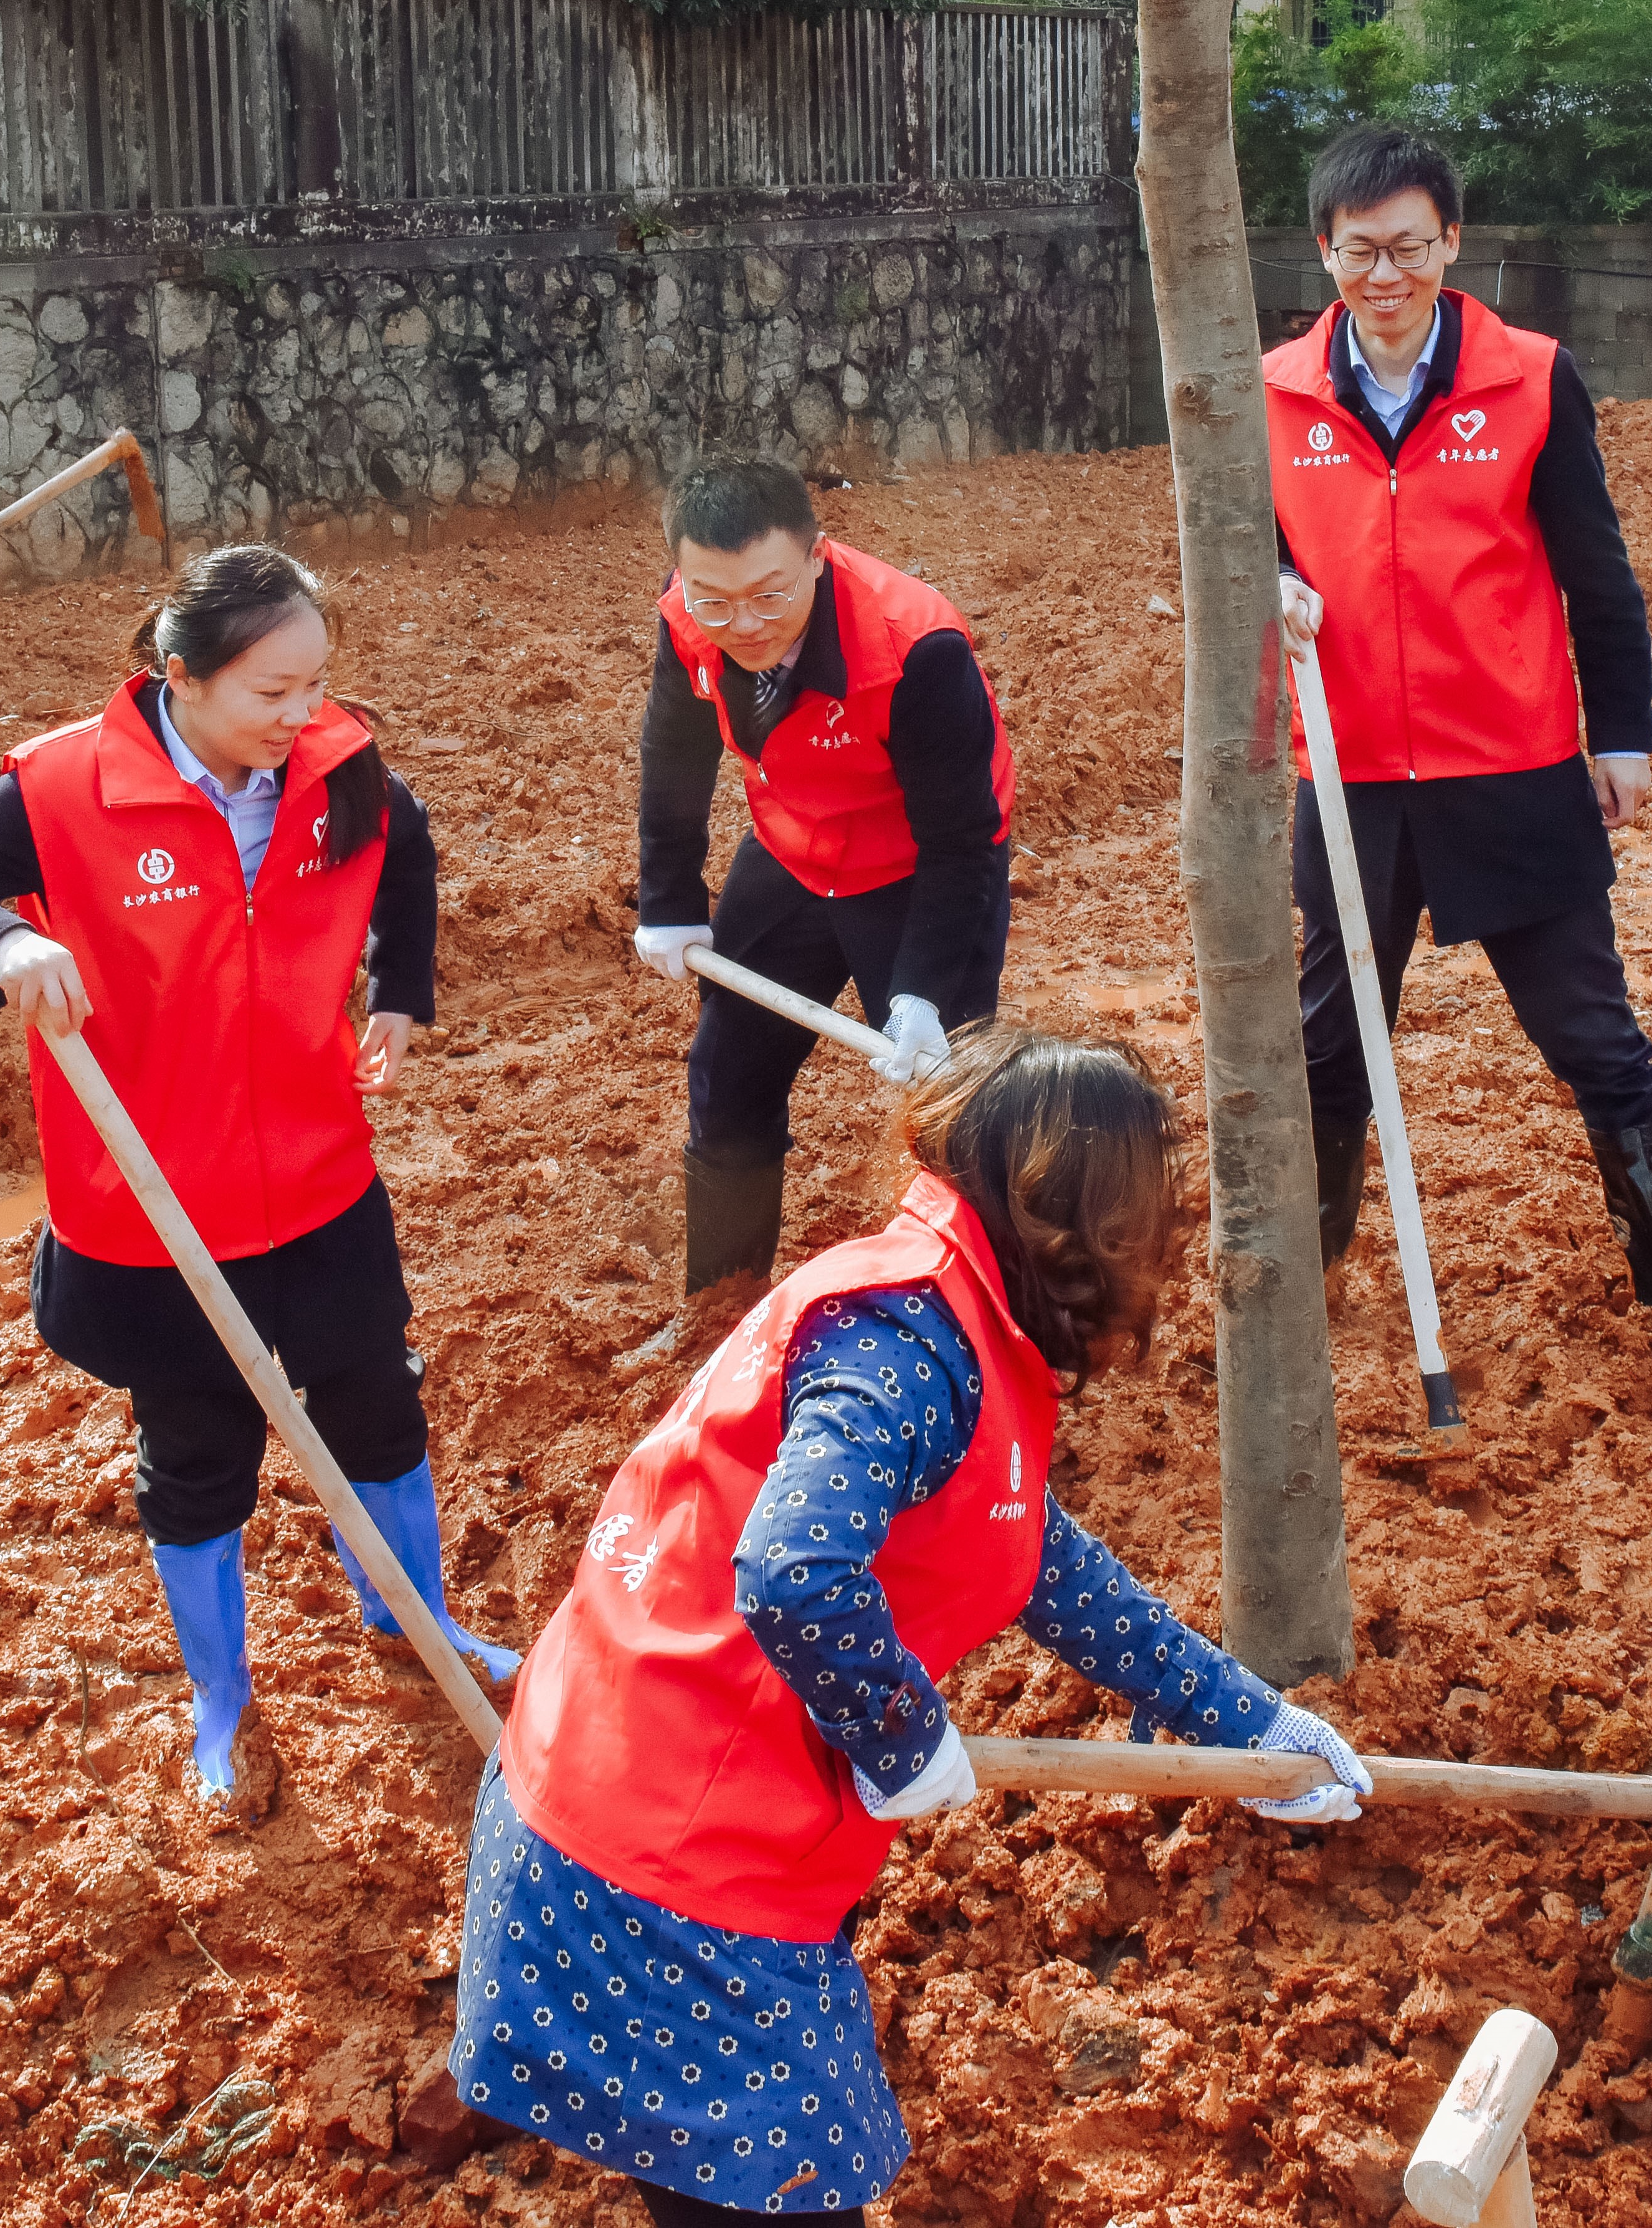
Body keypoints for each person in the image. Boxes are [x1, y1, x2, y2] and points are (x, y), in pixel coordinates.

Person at [463, 1024, 1367, 2219]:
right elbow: (793, 1573)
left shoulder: (948, 1309)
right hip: (662, 1855)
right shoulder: (903, 1343)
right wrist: (899, 1728)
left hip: (638, 1795)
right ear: (1082, 1233)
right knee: (790, 2185)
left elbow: (1035, 1549)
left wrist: (1249, 1722)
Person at [0, 544, 511, 1803]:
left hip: (321, 1176)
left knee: (377, 1408)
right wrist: (2, 940)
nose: (299, 717)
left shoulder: (338, 767)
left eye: (315, 685)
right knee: (200, 1449)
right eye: (270, 693)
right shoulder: (61, 790)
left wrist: (406, 992)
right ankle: (222, 1702)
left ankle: (410, 1620)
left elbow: (410, 845)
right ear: (181, 679)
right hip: (156, 1208)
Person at [1265, 126, 1652, 1352]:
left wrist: (1620, 735)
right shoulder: (1274, 393)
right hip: (1351, 774)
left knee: (1591, 1034)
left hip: (1510, 768)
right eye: (1361, 250)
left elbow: (1597, 571)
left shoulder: (1529, 378)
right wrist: (1275, 586)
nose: (1386, 274)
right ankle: (1318, 1275)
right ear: (1326, 251)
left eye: (1411, 246)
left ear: (1452, 243)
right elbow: (1251, 547)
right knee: (1329, 1040)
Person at [632, 455, 1016, 1294]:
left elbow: (963, 841)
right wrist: (668, 896)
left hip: (921, 868)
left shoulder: (916, 648)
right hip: (793, 848)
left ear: (817, 557)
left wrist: (920, 990)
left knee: (949, 1117)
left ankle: (968, 1314)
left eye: (770, 594)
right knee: (727, 1074)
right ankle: (719, 1305)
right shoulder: (686, 617)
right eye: (715, 598)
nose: (744, 623)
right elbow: (675, 750)